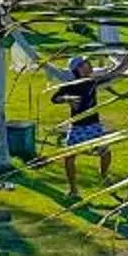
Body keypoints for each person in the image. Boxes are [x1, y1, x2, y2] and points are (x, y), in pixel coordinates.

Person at [49, 53, 114, 202]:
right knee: (69, 157)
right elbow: (54, 98)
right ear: (78, 68)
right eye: (86, 63)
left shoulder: (92, 80)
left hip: (94, 125)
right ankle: (73, 190)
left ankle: (103, 176)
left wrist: (126, 63)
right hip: (77, 127)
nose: (90, 64)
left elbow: (113, 74)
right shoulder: (71, 84)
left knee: (106, 153)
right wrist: (67, 98)